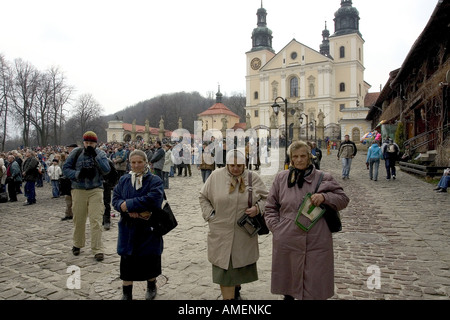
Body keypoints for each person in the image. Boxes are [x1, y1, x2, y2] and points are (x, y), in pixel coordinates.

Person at [265, 140, 349, 300]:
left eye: (303, 156)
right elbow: (270, 207)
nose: (299, 160)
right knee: (288, 284)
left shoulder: (324, 178)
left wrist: (325, 197)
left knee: (314, 287)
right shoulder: (281, 178)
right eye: (295, 156)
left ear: (309, 157)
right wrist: (277, 229)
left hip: (316, 240)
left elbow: (343, 199)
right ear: (290, 158)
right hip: (287, 240)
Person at [199, 149, 269, 300]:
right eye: (232, 165)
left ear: (245, 164)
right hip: (220, 231)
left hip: (243, 233)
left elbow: (267, 199)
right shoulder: (216, 176)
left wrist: (258, 208)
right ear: (226, 164)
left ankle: (236, 290)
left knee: (238, 265)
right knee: (224, 269)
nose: (235, 168)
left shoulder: (253, 178)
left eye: (239, 165)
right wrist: (210, 215)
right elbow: (203, 196)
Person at [112, 150, 165, 300]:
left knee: (149, 259)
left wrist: (128, 204)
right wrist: (124, 208)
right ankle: (126, 292)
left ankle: (151, 286)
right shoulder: (124, 180)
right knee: (128, 261)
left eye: (139, 162)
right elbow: (116, 198)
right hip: (128, 228)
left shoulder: (154, 180)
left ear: (146, 162)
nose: (136, 165)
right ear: (130, 163)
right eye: (133, 162)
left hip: (148, 228)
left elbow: (153, 199)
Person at [62, 131, 111, 262]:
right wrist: (78, 174)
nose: (89, 145)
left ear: (96, 143)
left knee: (96, 220)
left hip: (96, 189)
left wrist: (96, 157)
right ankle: (77, 243)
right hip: (79, 189)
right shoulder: (76, 153)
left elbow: (107, 170)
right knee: (79, 219)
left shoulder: (100, 153)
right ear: (83, 142)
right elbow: (65, 168)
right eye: (87, 142)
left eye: (92, 143)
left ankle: (97, 249)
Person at [60, 144, 78, 221]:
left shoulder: (77, 158)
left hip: (74, 181)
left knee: (74, 200)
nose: (69, 150)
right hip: (67, 181)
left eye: (70, 148)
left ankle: (74, 214)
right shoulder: (68, 158)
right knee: (68, 199)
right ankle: (68, 214)